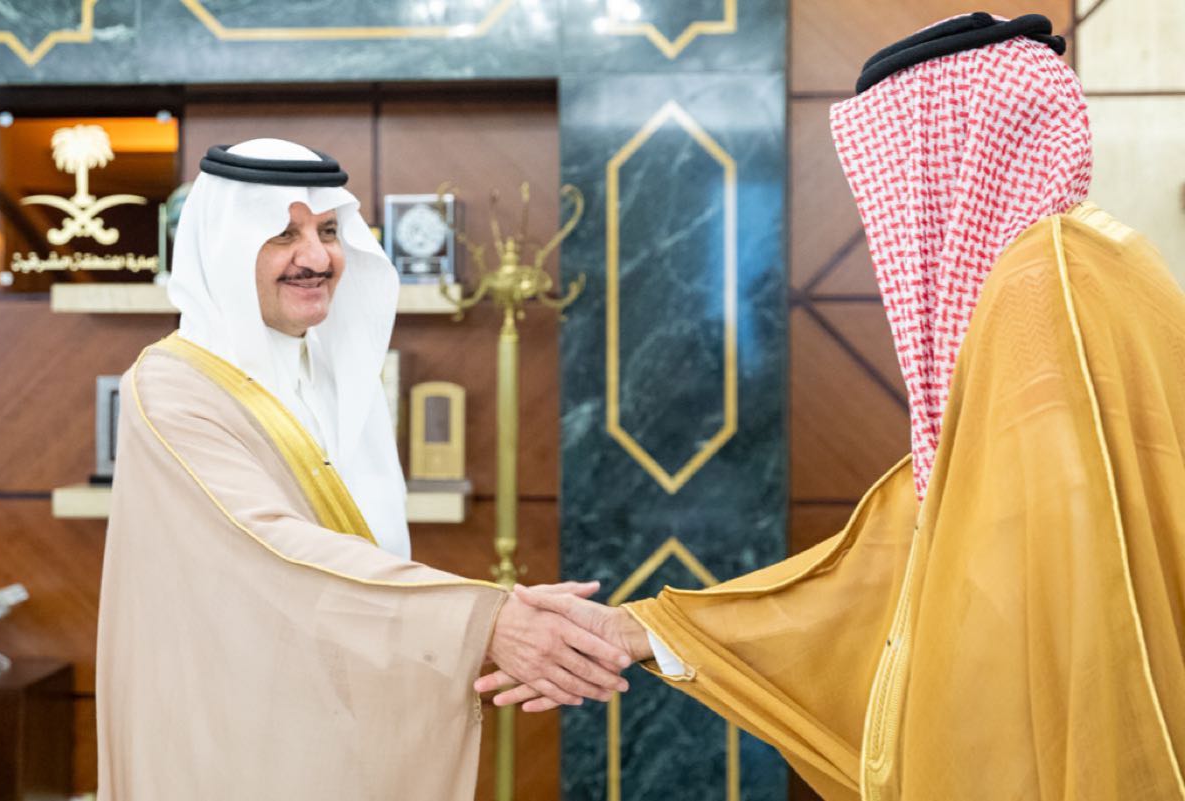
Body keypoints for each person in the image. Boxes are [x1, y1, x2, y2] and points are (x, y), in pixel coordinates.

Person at [478, 14, 1185, 801]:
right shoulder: (1110, 263)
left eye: (900, 167)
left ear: (949, 149)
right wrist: (650, 628)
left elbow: (1007, 574)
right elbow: (926, 539)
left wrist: (648, 629)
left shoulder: (1038, 291)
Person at [94, 138, 630, 801]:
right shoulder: (173, 387)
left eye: (327, 231)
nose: (317, 258)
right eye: (282, 235)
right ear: (224, 247)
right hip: (232, 727)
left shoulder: (328, 366)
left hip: (335, 708)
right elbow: (274, 547)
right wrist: (483, 622)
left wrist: (498, 621)